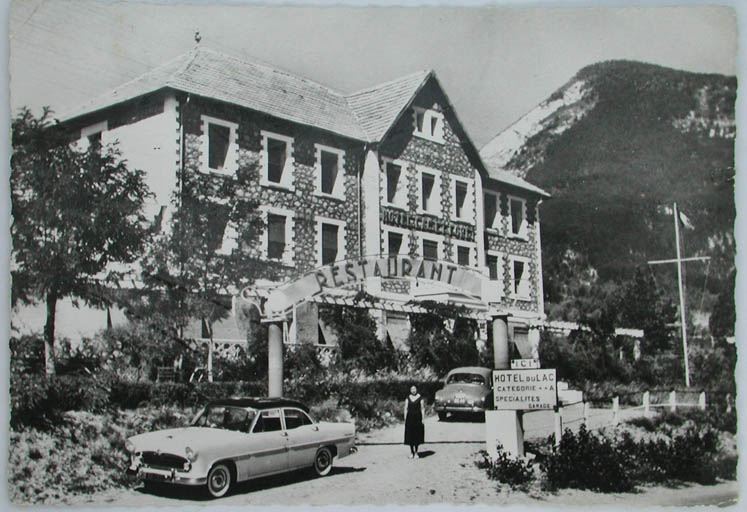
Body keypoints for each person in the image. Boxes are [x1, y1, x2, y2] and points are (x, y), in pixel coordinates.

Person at [404, 385, 425, 458]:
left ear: (416, 390)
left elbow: (422, 408)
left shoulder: (420, 398)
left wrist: (423, 418)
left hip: (417, 418)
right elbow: (405, 408)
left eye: (414, 389)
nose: (413, 390)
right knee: (410, 435)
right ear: (410, 390)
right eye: (412, 389)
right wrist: (405, 418)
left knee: (417, 435)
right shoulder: (408, 398)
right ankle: (411, 452)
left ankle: (416, 452)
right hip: (410, 418)